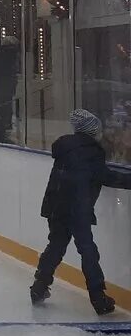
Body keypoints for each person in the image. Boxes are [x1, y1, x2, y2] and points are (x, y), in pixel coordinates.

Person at [30, 109, 131, 315]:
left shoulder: (65, 147)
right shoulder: (91, 151)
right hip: (78, 208)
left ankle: (38, 288)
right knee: (88, 251)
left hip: (56, 206)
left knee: (56, 246)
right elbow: (105, 176)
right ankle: (99, 299)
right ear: (92, 130)